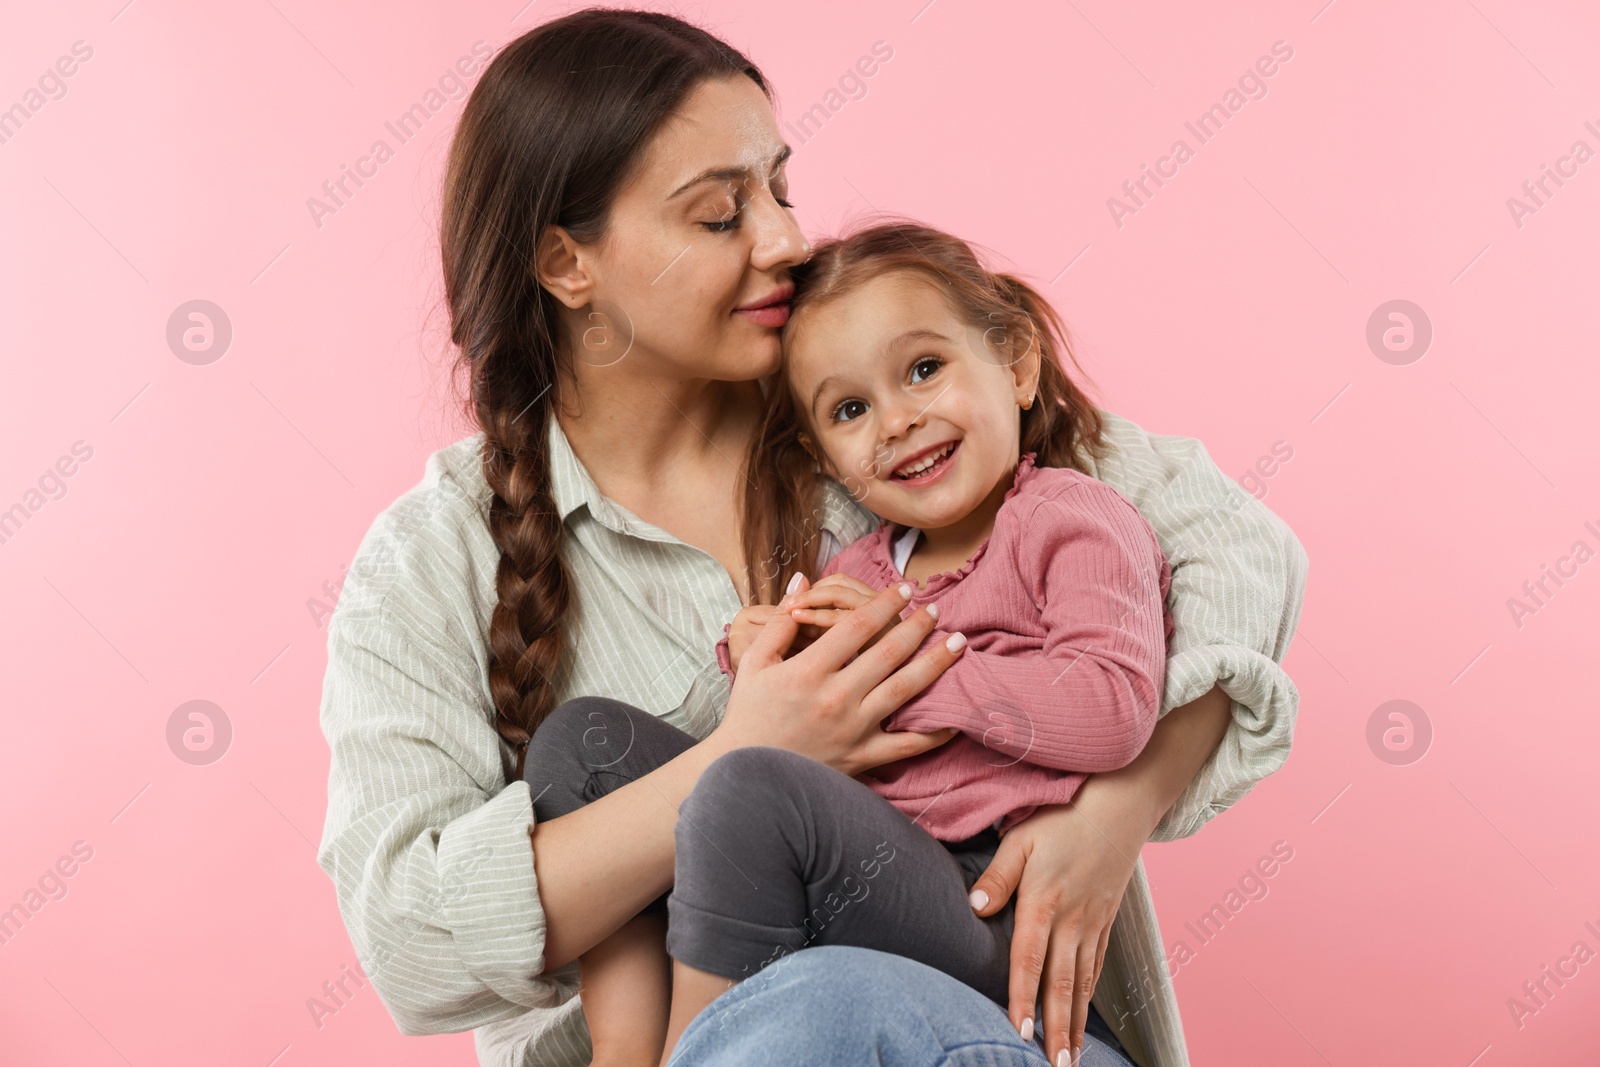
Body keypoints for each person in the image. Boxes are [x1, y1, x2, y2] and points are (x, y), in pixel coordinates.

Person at [314, 9, 1307, 1067]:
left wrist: (1118, 805)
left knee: (824, 1000)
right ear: (567, 263)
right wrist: (751, 747)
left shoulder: (880, 406)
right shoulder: (430, 562)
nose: (786, 239)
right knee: (586, 751)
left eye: (778, 188)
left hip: (991, 1024)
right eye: (717, 214)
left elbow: (1238, 547)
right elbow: (407, 938)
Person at [534, 221, 1179, 1066]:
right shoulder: (865, 563)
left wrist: (906, 670)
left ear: (1017, 363)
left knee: (748, 788)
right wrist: (767, 652)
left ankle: (691, 1055)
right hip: (867, 876)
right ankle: (623, 1052)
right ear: (824, 456)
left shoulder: (1064, 518)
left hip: (993, 901)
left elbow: (1114, 708)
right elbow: (807, 729)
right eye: (850, 409)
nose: (899, 421)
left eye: (924, 368)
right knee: (580, 744)